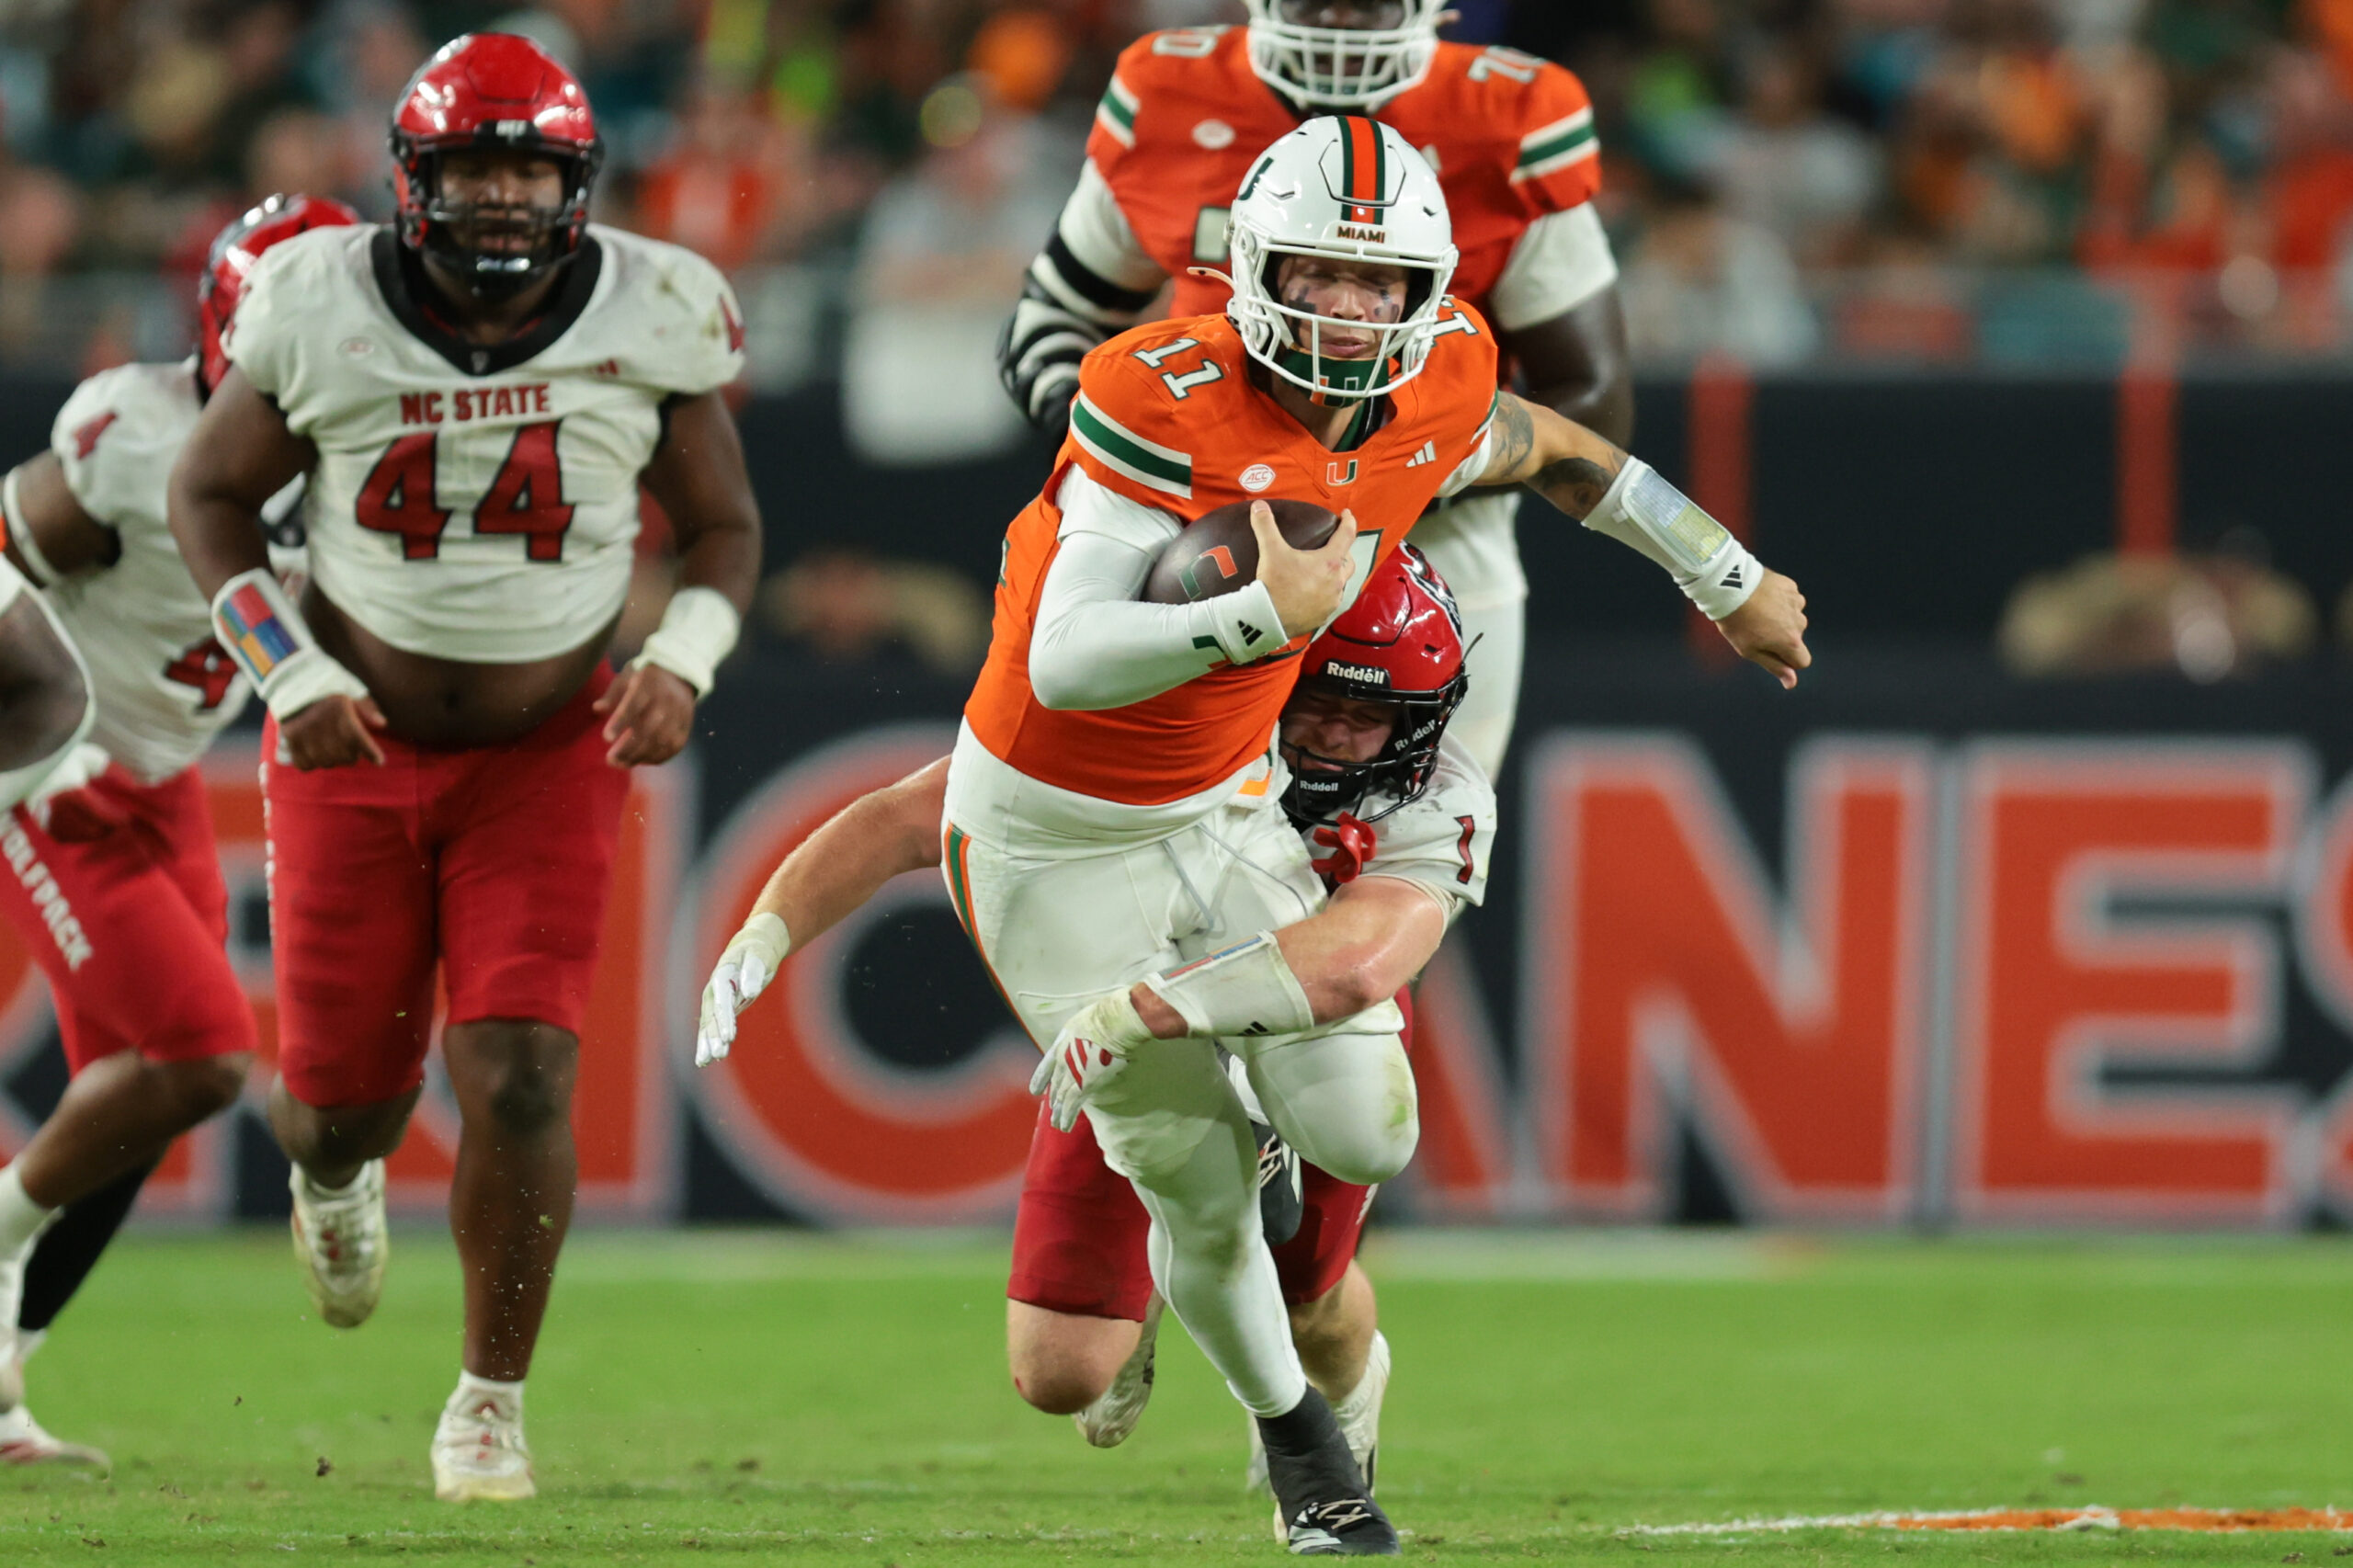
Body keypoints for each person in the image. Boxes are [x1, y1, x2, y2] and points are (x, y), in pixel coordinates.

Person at [719, 115, 1807, 1554]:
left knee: (1361, 1122)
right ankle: (1306, 1456)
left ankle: (1269, 1225)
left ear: (1428, 297)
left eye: (1381, 286)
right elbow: (1061, 666)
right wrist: (1261, 617)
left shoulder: (1435, 702)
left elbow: (1556, 450)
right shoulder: (1158, 392)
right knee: (1123, 1298)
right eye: (1317, 275)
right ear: (1248, 270)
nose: (1351, 313)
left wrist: (1723, 573)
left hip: (1220, 819)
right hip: (1065, 826)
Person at [166, 34, 762, 1502]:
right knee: (343, 1101)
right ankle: (332, 1169)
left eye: (529, 168)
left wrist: (682, 652)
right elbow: (209, 491)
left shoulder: (654, 305)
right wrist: (286, 669)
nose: (502, 196)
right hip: (350, 740)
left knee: (520, 1073)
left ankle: (489, 1399)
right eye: (475, 167)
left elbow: (725, 527)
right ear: (411, 181)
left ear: (576, 181)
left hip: (547, 752)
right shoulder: (317, 301)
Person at [698, 546, 1494, 1520]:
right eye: (1319, 695)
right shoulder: (1172, 719)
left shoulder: (1440, 799)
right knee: (1060, 1373)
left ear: (1417, 723)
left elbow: (1351, 964)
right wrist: (765, 927)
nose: (1330, 735)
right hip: (1129, 1031)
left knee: (1308, 1306)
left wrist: (1149, 1006)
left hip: (1298, 1025)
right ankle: (1179, 1235)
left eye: (1365, 717)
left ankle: (1348, 1384)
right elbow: (915, 816)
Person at [1000, 0, 1632, 775]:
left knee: (1411, 850)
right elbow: (1053, 318)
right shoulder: (1171, 88)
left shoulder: (1506, 115)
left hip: (1431, 545)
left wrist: (1373, 484)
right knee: (1125, 812)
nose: (1338, 14)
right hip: (1193, 536)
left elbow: (1592, 395)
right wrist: (1134, 462)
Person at [0, 194, 358, 1472]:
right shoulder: (130, 432)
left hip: (164, 787)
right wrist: (35, 746)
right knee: (204, 1055)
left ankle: (0, 1385)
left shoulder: (363, 452)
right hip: (67, 776)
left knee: (133, 1112)